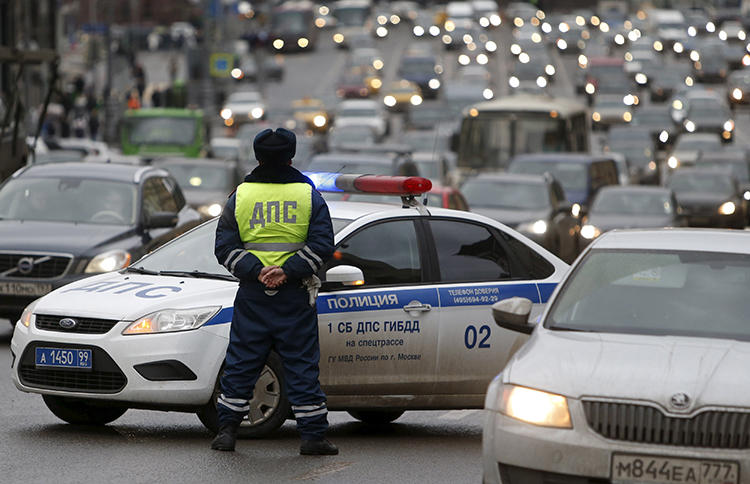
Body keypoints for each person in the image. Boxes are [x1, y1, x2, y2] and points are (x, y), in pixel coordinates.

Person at [211, 128, 337, 455]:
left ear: (257, 157)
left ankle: (227, 432)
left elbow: (225, 248)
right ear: (292, 157)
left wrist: (257, 272)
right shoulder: (308, 195)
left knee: (241, 362)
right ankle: (312, 438)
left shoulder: (241, 195)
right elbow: (322, 245)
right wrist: (287, 271)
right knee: (302, 364)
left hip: (253, 294)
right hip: (294, 295)